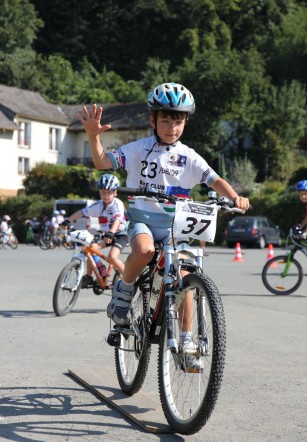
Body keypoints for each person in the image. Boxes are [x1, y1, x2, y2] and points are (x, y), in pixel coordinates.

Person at [76, 82, 249, 370]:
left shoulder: (189, 156)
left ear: (185, 122)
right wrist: (94, 137)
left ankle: (186, 341)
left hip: (176, 226)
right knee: (143, 252)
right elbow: (104, 162)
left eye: (178, 121)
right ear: (152, 120)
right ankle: (124, 291)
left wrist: (235, 197)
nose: (172, 127)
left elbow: (214, 179)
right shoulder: (138, 148)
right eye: (165, 120)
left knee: (184, 276)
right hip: (143, 220)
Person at [63, 173, 128, 288]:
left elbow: (118, 219)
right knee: (90, 249)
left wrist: (111, 232)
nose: (106, 195)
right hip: (107, 235)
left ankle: (131, 280)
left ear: (115, 193)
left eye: (109, 192)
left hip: (120, 235)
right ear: (99, 192)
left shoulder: (117, 204)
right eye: (103, 192)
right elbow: (82, 212)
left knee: (112, 257)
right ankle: (89, 276)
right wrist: (67, 221)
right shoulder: (98, 205)